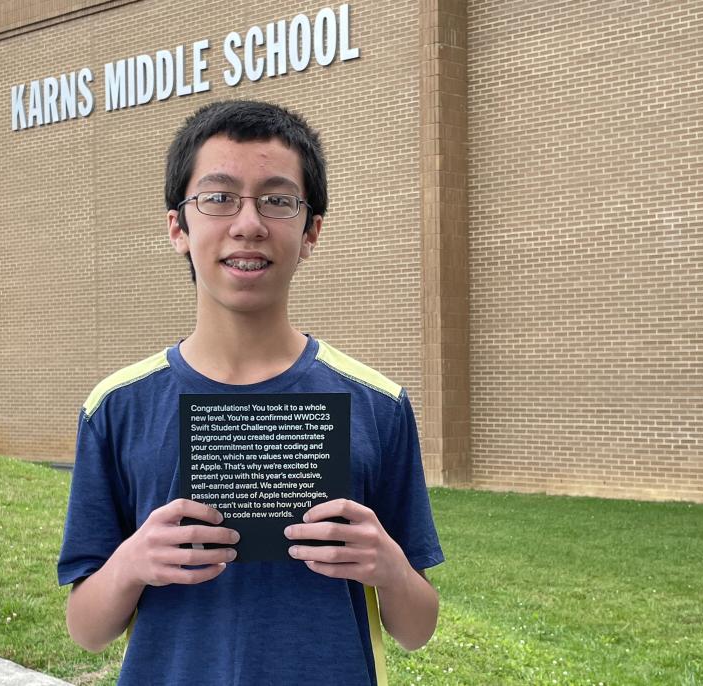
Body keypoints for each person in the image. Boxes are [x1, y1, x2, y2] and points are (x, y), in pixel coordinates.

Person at [57, 100, 444, 686]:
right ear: (177, 228)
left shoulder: (377, 403)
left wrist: (389, 568)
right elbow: (87, 630)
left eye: (277, 199)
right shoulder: (117, 407)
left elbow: (416, 628)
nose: (248, 223)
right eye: (218, 197)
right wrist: (132, 563)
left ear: (311, 230)